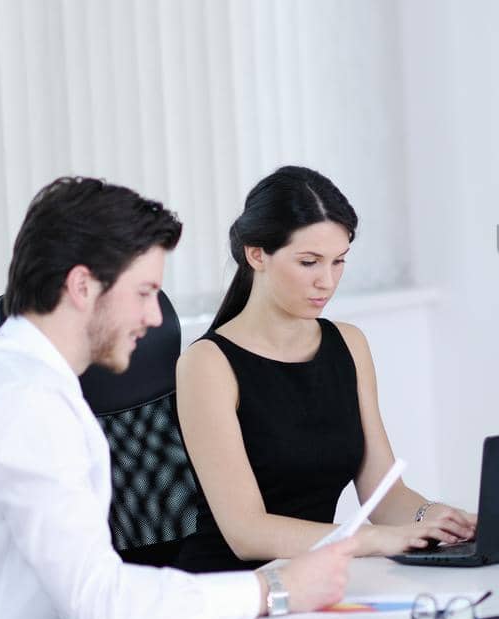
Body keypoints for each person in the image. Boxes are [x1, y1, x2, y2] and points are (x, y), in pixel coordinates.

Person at [0, 178, 354, 619]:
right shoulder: (21, 398)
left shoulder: (16, 377)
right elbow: (97, 600)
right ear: (83, 286)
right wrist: (274, 590)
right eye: (144, 291)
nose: (156, 318)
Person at [174, 166, 474, 572]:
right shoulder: (207, 364)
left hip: (313, 577)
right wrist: (369, 539)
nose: (327, 282)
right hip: (235, 590)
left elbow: (383, 496)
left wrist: (437, 520)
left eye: (338, 262)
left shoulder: (349, 344)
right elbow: (247, 533)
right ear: (256, 254)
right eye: (309, 262)